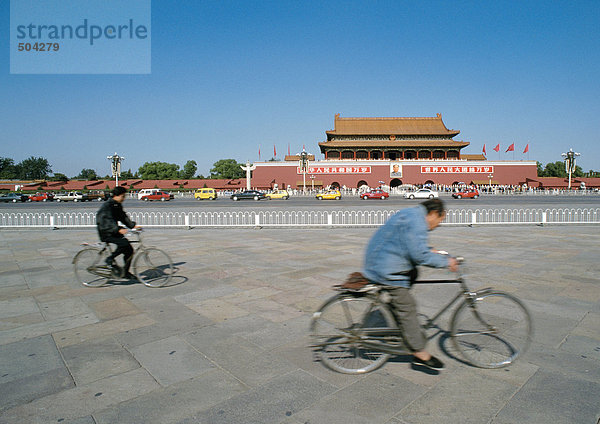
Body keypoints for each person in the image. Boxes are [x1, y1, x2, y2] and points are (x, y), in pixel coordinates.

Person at [362, 198, 458, 370]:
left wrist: (430, 250)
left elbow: (410, 244)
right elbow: (419, 256)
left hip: (382, 259)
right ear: (434, 213)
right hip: (385, 267)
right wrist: (446, 262)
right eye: (440, 220)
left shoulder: (413, 214)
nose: (437, 225)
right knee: (408, 306)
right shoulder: (417, 221)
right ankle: (419, 352)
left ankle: (393, 317)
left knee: (413, 273)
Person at [96, 186, 140, 278]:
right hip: (105, 231)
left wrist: (133, 225)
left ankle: (125, 272)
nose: (123, 199)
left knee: (129, 250)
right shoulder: (108, 206)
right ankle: (109, 259)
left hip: (113, 230)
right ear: (116, 196)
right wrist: (118, 229)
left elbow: (123, 217)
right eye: (122, 196)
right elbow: (108, 220)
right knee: (124, 243)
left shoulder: (117, 205)